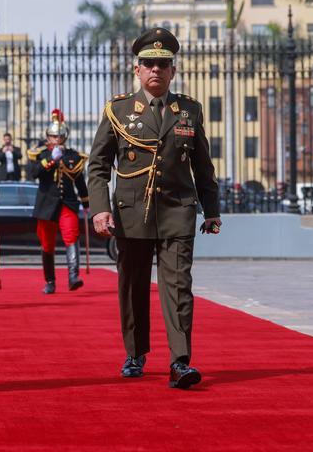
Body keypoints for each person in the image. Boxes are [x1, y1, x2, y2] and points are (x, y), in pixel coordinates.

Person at [88, 27, 221, 390]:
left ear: (173, 71)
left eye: (163, 64)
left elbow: (203, 167)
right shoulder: (118, 111)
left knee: (178, 287)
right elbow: (97, 166)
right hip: (131, 214)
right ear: (137, 70)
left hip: (177, 211)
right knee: (132, 287)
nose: (156, 70)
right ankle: (135, 352)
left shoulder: (189, 111)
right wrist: (100, 209)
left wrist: (212, 211)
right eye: (149, 64)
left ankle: (180, 361)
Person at [27, 109, 89, 294]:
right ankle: (50, 281)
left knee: (71, 236)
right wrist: (51, 160)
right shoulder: (40, 154)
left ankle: (73, 276)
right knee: (47, 244)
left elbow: (79, 180)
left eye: (59, 136)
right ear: (48, 137)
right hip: (46, 204)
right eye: (53, 136)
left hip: (67, 203)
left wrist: (86, 202)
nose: (56, 139)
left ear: (65, 137)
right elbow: (34, 173)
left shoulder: (73, 156)